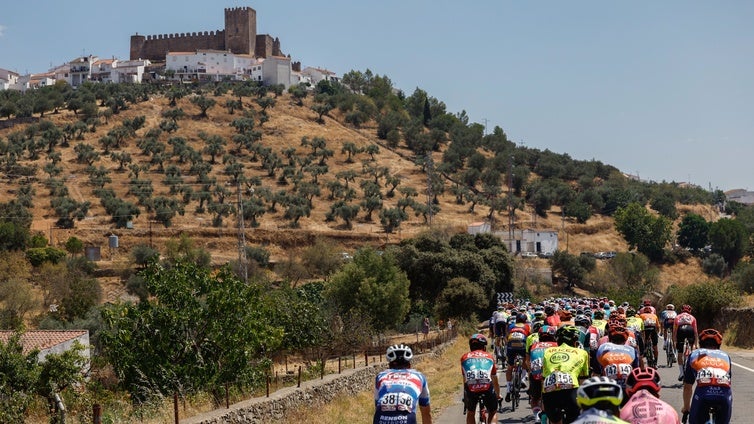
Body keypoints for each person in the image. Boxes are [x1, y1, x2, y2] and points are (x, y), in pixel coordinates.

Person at [540, 325, 591, 424]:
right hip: (571, 390)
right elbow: (583, 379)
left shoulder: (547, 351)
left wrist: (543, 401)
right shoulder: (582, 352)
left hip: (550, 389)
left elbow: (544, 378)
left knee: (555, 420)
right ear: (575, 341)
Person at [681, 328, 732, 424]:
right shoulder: (726, 356)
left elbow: (687, 387)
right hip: (724, 396)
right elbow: (728, 382)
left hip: (703, 396)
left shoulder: (694, 355)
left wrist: (686, 408)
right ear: (719, 345)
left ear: (700, 344)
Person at [374, 344, 432, 424]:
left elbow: (378, 405)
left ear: (389, 366)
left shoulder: (380, 376)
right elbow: (426, 413)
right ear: (409, 365)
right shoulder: (419, 376)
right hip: (407, 419)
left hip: (381, 419)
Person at [461, 334, 500, 424]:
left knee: (470, 413)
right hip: (487, 387)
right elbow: (494, 379)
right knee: (493, 412)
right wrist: (498, 394)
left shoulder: (464, 358)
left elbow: (465, 379)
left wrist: (465, 396)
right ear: (484, 347)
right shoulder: (489, 357)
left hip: (471, 388)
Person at [595, 324, 638, 398]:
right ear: (625, 340)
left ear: (610, 339)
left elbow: (597, 371)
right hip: (627, 387)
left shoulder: (602, 347)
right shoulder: (632, 350)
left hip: (607, 387)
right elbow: (636, 370)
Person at [527, 325, 558, 422]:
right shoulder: (556, 345)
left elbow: (528, 362)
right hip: (551, 376)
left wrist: (530, 373)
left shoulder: (533, 346)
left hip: (535, 375)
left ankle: (537, 415)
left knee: (535, 398)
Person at [504, 313, 530, 403]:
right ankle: (523, 379)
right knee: (525, 360)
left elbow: (507, 336)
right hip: (522, 345)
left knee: (510, 367)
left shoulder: (511, 325)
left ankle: (508, 389)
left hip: (511, 345)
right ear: (525, 320)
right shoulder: (527, 326)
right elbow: (529, 337)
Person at [673, 304, 699, 381]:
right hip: (690, 328)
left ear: (681, 310)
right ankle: (691, 351)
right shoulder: (692, 317)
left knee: (680, 353)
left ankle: (681, 372)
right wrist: (696, 343)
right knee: (691, 347)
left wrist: (674, 341)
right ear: (690, 311)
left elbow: (674, 331)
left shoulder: (677, 317)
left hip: (681, 329)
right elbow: (695, 332)